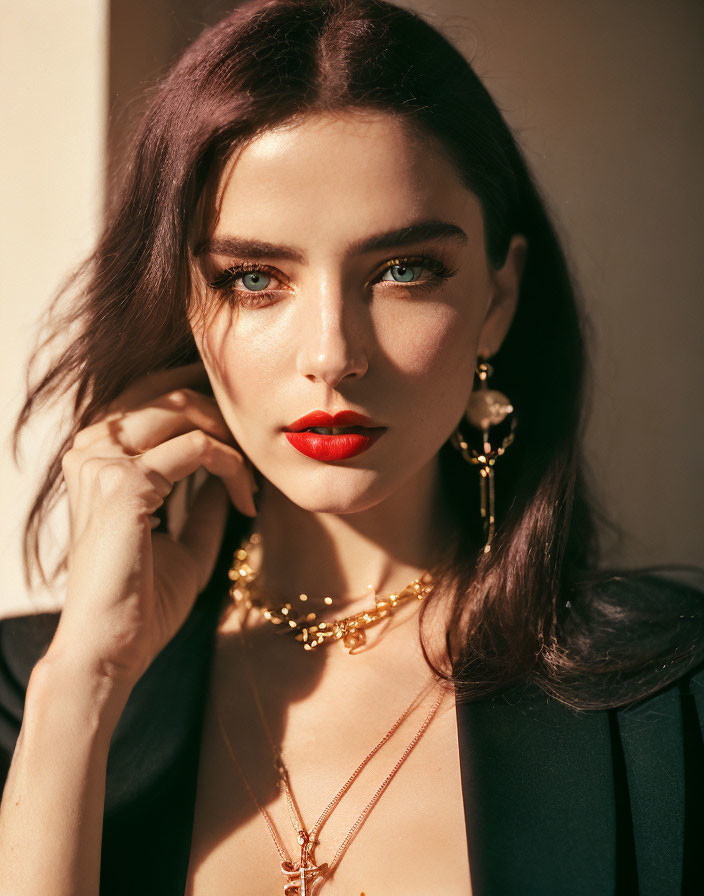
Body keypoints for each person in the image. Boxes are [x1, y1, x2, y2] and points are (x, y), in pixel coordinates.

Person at [1, 0, 702, 893]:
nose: (331, 354)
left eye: (402, 271)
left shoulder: (666, 700)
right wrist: (82, 687)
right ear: (182, 302)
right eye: (255, 278)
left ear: (497, 296)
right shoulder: (31, 694)